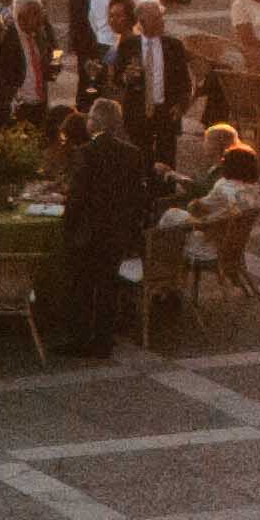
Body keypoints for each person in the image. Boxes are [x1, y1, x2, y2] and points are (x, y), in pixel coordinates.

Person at [54, 108, 160, 360]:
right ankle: (103, 339)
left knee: (81, 286)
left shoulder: (86, 153)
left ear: (96, 122)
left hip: (89, 231)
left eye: (90, 117)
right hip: (117, 231)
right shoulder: (132, 153)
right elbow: (138, 195)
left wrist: (68, 226)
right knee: (107, 286)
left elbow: (78, 197)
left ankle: (80, 338)